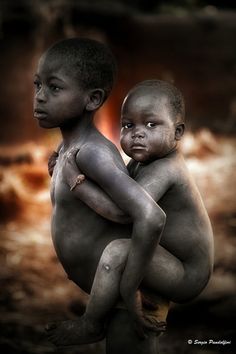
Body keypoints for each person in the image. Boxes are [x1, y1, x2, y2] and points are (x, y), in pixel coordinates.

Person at [46, 78, 214, 347]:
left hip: (186, 273)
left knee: (117, 251)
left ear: (178, 131)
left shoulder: (166, 169)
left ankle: (92, 322)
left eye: (151, 124)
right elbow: (114, 191)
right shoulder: (140, 163)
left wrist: (76, 183)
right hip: (166, 258)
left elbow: (120, 211)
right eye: (128, 125)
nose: (137, 133)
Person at [33, 38, 168, 347]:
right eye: (37, 85)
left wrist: (78, 188)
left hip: (126, 292)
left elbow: (143, 215)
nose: (39, 97)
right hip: (110, 291)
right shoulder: (69, 147)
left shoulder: (92, 152)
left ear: (92, 100)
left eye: (54, 88)